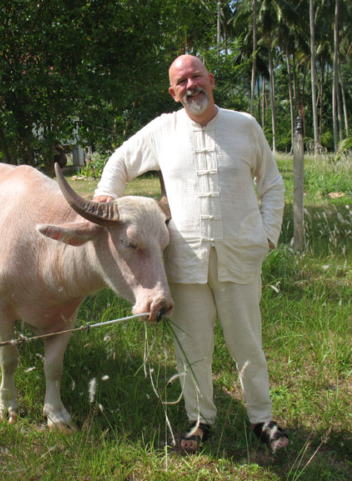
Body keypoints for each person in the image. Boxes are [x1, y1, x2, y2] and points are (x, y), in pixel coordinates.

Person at [93, 54, 289, 454]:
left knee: (247, 344)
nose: (190, 85)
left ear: (211, 80)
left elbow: (273, 185)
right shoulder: (163, 130)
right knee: (193, 349)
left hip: (240, 258)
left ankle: (262, 417)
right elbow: (119, 161)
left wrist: (266, 237)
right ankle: (200, 421)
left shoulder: (244, 126)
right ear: (172, 91)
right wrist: (105, 197)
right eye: (181, 81)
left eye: (196, 76)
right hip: (185, 263)